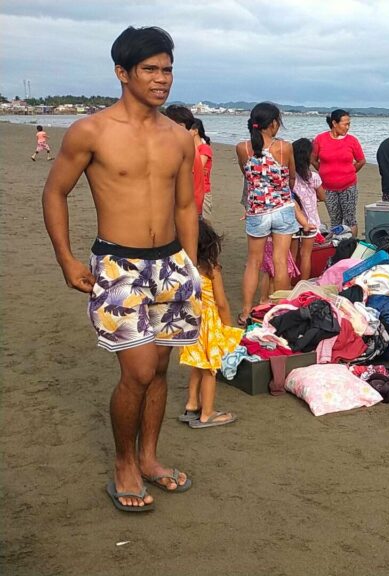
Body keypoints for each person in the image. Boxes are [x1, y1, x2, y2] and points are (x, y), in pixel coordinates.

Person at [42, 26, 198, 512]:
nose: (161, 79)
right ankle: (123, 465)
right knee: (139, 369)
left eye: (167, 69)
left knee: (162, 370)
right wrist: (66, 258)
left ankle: (149, 458)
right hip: (118, 264)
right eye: (150, 69)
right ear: (122, 73)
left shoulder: (179, 137)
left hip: (171, 264)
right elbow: (55, 192)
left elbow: (187, 205)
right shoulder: (93, 130)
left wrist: (189, 264)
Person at [235, 102, 310, 323]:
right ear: (274, 123)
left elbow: (247, 176)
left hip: (257, 210)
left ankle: (246, 311)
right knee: (280, 260)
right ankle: (280, 309)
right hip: (283, 209)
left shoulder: (243, 148)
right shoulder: (284, 147)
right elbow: (292, 176)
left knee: (253, 262)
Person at [178, 219, 242, 428]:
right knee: (210, 370)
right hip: (209, 322)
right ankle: (207, 413)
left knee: (198, 363)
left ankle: (192, 403)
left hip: (189, 321)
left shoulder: (181, 268)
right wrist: (227, 327)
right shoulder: (211, 269)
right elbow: (221, 303)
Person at [312, 109, 365, 235]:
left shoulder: (352, 140)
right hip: (328, 188)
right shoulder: (320, 139)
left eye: (349, 124)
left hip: (348, 186)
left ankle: (351, 246)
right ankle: (336, 246)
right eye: (345, 124)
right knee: (335, 219)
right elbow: (313, 159)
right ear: (334, 123)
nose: (347, 127)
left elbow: (361, 160)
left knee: (349, 219)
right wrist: (324, 171)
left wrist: (350, 172)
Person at [163, 105, 207, 220]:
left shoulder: (186, 151)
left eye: (179, 126)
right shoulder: (180, 148)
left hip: (186, 211)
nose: (173, 129)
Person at [291, 137, 326, 280]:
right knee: (306, 255)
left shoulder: (290, 177)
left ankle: (288, 283)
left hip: (292, 220)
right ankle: (303, 284)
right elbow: (323, 196)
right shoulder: (313, 177)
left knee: (291, 256)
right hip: (310, 221)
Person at [193, 118, 214, 220]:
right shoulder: (188, 148)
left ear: (195, 131)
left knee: (203, 224)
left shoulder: (204, 148)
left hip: (203, 191)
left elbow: (197, 167)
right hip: (189, 190)